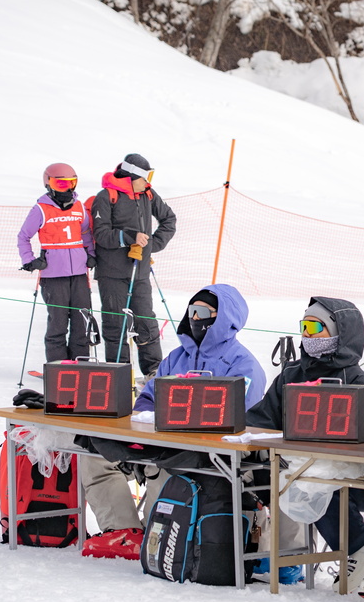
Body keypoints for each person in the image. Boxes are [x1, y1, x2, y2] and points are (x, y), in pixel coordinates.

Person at [80, 284, 265, 560]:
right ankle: (125, 532)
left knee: (168, 468)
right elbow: (148, 398)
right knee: (94, 457)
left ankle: (161, 535)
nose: (195, 318)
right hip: (161, 444)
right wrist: (142, 428)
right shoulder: (176, 358)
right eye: (191, 311)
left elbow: (241, 419)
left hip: (208, 454)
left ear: (225, 318)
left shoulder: (243, 365)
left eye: (203, 312)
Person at [244, 298, 364, 593]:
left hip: (343, 466)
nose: (307, 334)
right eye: (304, 326)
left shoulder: (355, 379)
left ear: (339, 332)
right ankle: (266, 550)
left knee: (316, 482)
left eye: (315, 327)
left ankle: (358, 546)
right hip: (291, 461)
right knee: (253, 471)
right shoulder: (291, 374)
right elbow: (261, 419)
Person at [90, 154, 177, 378]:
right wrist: (130, 237)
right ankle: (118, 374)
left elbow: (169, 219)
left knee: (146, 322)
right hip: (112, 273)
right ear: (130, 176)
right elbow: (101, 234)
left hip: (139, 273)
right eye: (145, 177)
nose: (148, 182)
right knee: (116, 325)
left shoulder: (147, 194)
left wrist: (153, 245)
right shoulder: (106, 197)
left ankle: (153, 371)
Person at [16, 163, 96, 362]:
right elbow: (23, 236)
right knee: (58, 324)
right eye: (60, 184)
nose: (67, 189)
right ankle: (58, 366)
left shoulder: (79, 207)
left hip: (79, 275)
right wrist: (29, 260)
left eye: (71, 183)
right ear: (48, 183)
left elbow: (86, 232)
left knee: (81, 321)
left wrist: (90, 254)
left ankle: (80, 364)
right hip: (53, 275)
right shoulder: (41, 210)